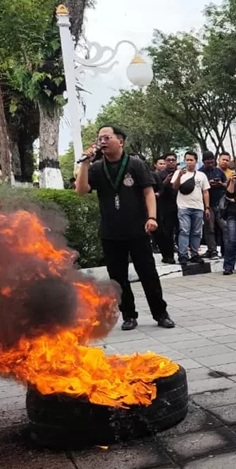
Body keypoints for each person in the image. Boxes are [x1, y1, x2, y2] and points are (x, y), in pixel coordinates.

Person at [74, 125, 174, 330]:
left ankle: (160, 314)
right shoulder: (96, 168)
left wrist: (152, 217)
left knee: (148, 274)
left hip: (138, 230)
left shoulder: (135, 164)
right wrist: (84, 164)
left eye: (107, 137)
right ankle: (129, 315)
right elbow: (81, 190)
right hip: (111, 232)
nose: (102, 141)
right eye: (99, 138)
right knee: (117, 278)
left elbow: (148, 192)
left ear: (120, 141)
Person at [171, 152, 211, 264]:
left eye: (191, 160)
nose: (188, 162)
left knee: (197, 232)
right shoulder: (178, 173)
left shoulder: (201, 175)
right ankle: (183, 255)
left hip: (198, 207)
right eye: (187, 160)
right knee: (184, 230)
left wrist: (207, 207)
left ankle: (195, 254)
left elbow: (205, 192)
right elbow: (174, 187)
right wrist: (179, 175)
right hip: (183, 207)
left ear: (196, 161)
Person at [153, 153, 179, 264]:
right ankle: (168, 255)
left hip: (180, 205)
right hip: (165, 207)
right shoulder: (159, 175)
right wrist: (165, 182)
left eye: (173, 160)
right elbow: (157, 191)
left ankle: (183, 253)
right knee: (166, 232)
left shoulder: (180, 173)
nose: (171, 162)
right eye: (168, 160)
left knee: (181, 231)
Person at [201, 152, 227, 260]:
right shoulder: (200, 173)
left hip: (220, 203)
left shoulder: (218, 171)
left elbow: (227, 184)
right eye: (208, 162)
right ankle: (212, 250)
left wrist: (220, 184)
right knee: (209, 228)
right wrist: (208, 184)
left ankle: (227, 250)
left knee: (225, 228)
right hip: (207, 204)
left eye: (212, 161)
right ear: (203, 161)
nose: (210, 164)